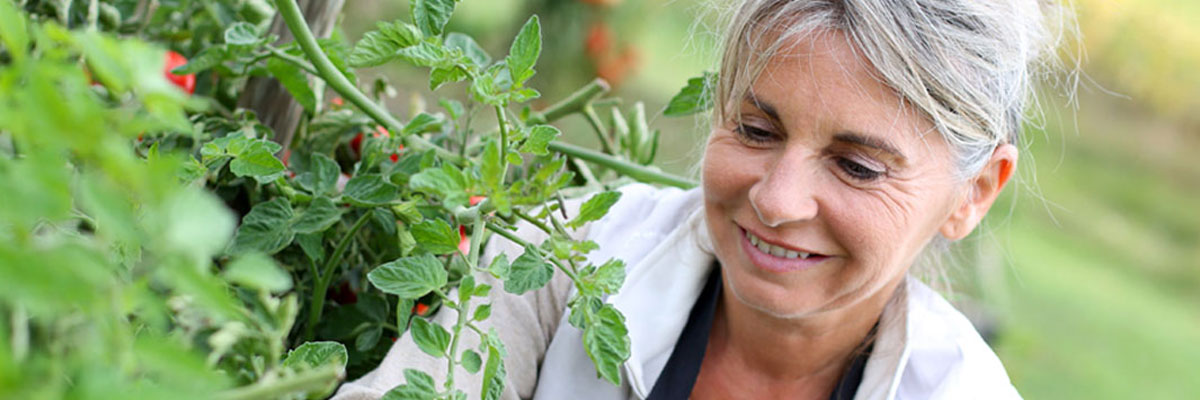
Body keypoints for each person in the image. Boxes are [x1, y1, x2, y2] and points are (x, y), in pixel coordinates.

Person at [335, 0, 1069, 398]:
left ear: (972, 193)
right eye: (755, 128)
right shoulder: (561, 256)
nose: (778, 200)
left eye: (856, 167)